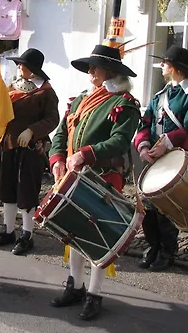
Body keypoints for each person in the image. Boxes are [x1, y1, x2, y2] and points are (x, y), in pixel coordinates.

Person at [49, 44, 141, 321]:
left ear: (109, 71)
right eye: (89, 67)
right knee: (74, 232)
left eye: (94, 67)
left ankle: (94, 293)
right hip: (73, 176)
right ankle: (75, 286)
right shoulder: (80, 100)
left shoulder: (124, 104)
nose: (89, 71)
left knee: (99, 237)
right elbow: (61, 133)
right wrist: (57, 159)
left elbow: (120, 141)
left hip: (103, 176)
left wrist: (86, 154)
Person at [0, 48, 59, 255]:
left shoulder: (46, 92)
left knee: (27, 191)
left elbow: (52, 119)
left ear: (33, 69)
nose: (19, 67)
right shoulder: (12, 87)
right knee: (7, 189)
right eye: (19, 64)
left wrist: (32, 131)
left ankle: (27, 235)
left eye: (23, 65)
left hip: (29, 149)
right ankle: (8, 230)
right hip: (7, 145)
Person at [134, 45, 186, 272]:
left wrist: (168, 142)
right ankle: (153, 245)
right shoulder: (159, 96)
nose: (161, 65)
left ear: (176, 68)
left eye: (165, 62)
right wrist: (143, 146)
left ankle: (167, 251)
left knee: (167, 208)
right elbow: (144, 124)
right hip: (155, 158)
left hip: (178, 160)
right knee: (148, 207)